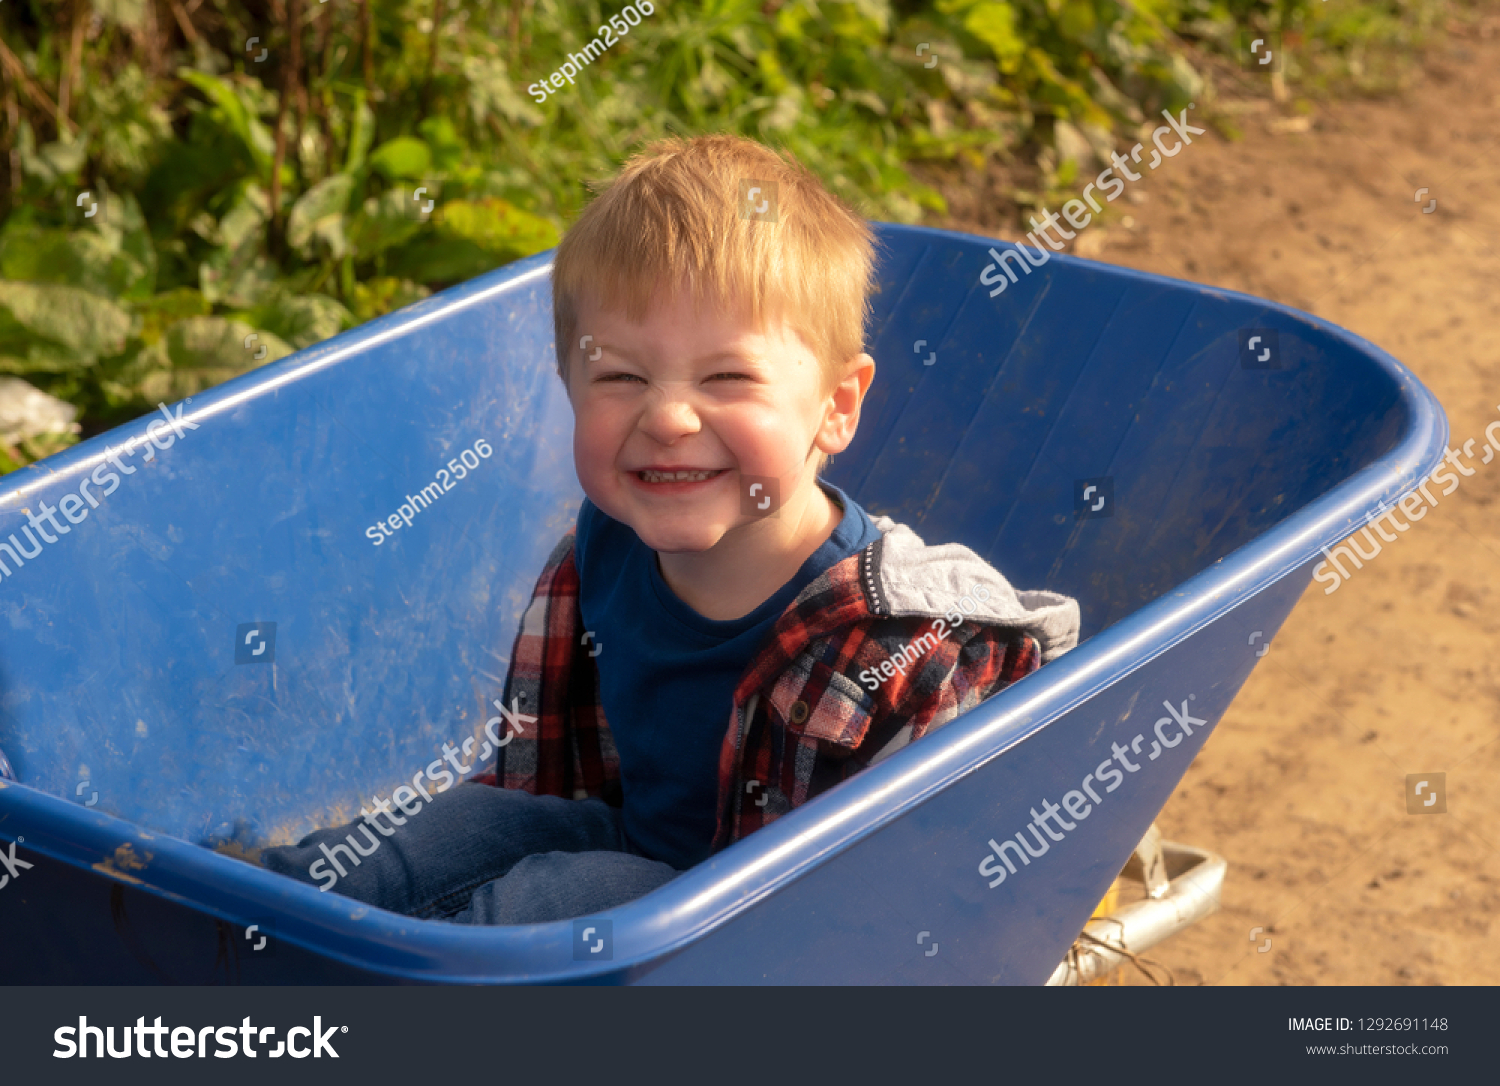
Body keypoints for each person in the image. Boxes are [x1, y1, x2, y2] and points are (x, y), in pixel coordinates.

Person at [260, 133, 1080, 925]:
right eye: (620, 375)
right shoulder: (603, 551)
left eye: (728, 376)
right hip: (627, 843)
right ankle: (222, 929)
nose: (671, 416)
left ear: (836, 407)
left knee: (522, 917)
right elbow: (548, 779)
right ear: (570, 384)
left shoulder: (898, 644)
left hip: (761, 932)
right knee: (400, 854)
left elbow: (901, 901)